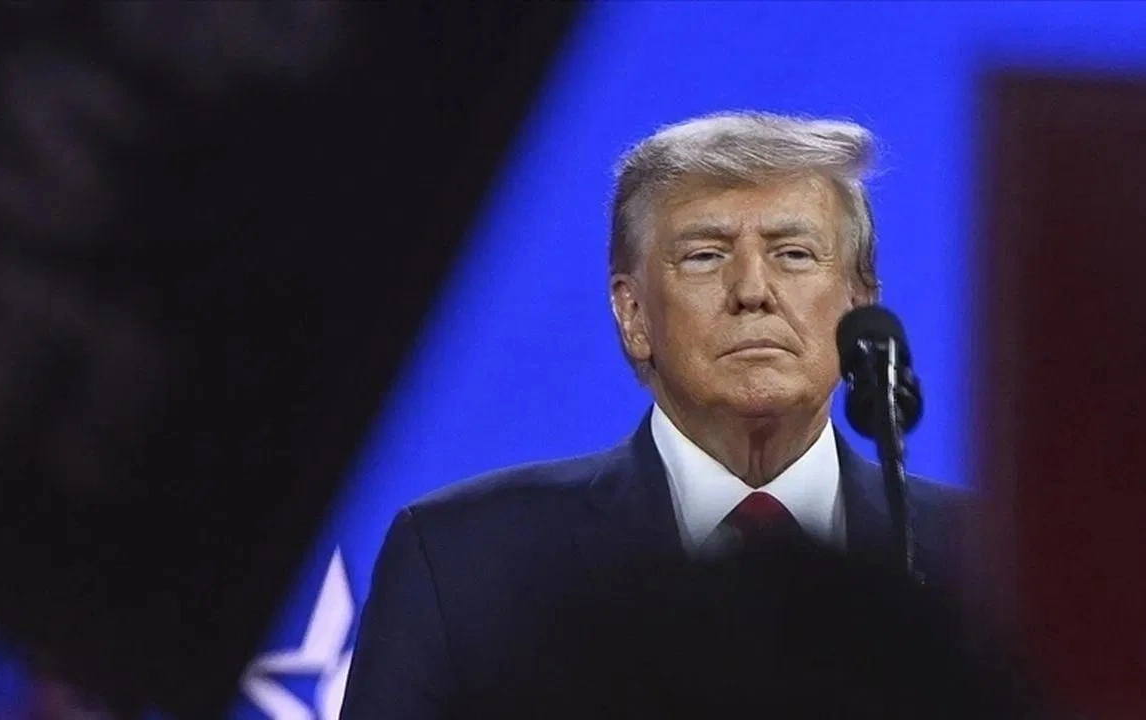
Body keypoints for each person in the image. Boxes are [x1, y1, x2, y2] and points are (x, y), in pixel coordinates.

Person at [339, 112, 967, 718]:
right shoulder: (461, 561)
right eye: (705, 256)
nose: (753, 291)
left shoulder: (983, 564)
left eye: (794, 254)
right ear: (634, 314)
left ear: (859, 306)